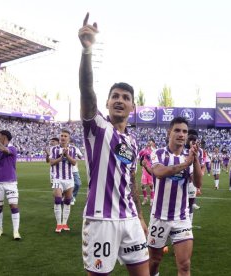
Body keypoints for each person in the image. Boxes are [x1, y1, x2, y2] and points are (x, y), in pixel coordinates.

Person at [78, 13, 149, 275]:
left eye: (126, 97)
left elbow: (131, 181)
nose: (120, 100)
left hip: (130, 218)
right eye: (115, 96)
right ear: (107, 103)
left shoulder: (131, 139)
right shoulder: (96, 126)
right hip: (100, 220)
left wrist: (140, 216)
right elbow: (86, 90)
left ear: (133, 105)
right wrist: (87, 51)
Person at [148, 117, 202, 276]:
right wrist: (185, 164)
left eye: (184, 131)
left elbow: (198, 183)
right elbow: (159, 173)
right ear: (169, 132)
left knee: (185, 266)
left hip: (181, 218)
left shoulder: (189, 156)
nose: (181, 134)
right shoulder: (157, 153)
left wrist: (195, 160)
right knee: (154, 261)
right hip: (159, 217)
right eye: (177, 130)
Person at [49, 130, 77, 232]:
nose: (63, 137)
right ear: (59, 137)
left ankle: (64, 223)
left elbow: (74, 163)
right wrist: (61, 157)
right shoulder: (54, 149)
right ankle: (58, 224)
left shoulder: (73, 149)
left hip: (69, 179)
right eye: (62, 135)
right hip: (58, 178)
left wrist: (67, 155)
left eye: (65, 136)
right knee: (57, 200)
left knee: (68, 201)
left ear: (68, 138)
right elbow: (51, 163)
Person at [186, 129, 204, 221]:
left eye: (194, 136)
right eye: (190, 135)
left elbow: (200, 164)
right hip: (182, 180)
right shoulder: (181, 148)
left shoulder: (199, 151)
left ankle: (189, 225)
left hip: (192, 181)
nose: (192, 138)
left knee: (190, 203)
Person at [138, 139, 156, 206]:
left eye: (151, 143)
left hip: (151, 170)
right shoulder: (145, 150)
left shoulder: (155, 151)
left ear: (154, 144)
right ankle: (145, 198)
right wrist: (141, 161)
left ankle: (152, 200)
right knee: (142, 185)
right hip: (145, 170)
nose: (149, 144)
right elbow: (139, 155)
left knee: (151, 185)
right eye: (149, 143)